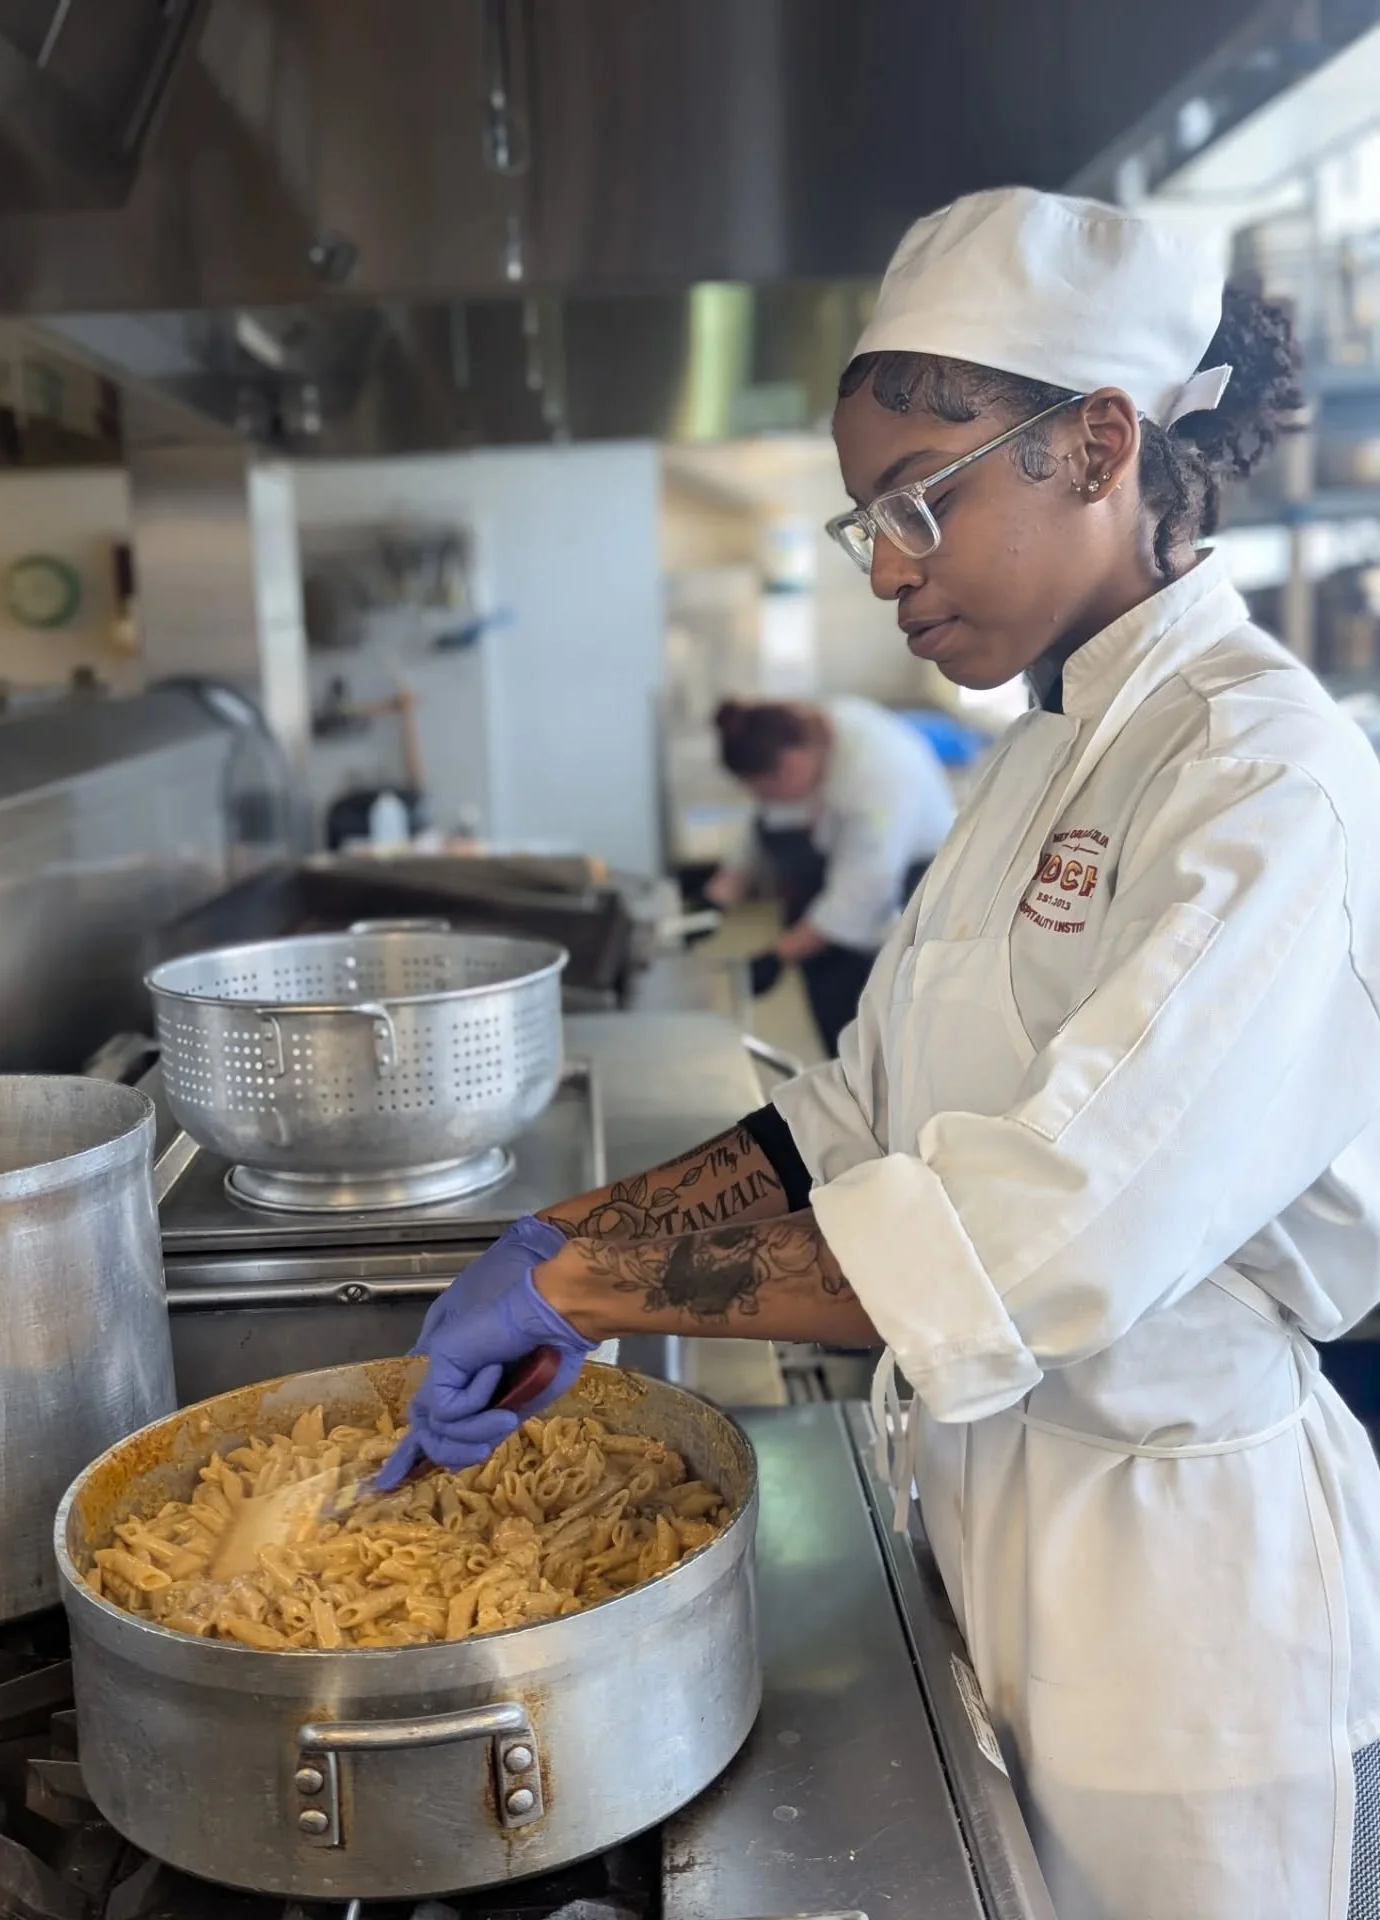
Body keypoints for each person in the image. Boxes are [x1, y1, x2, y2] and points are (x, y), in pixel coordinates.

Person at [374, 187, 1380, 1920]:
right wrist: (568, 1239)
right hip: (983, 1510)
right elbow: (847, 1113)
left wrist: (608, 1290)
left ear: (1101, 445)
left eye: (921, 499)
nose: (892, 564)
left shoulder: (1267, 778)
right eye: (867, 523)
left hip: (1176, 1587)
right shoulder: (1033, 762)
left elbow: (1043, 1235)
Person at [705, 696, 956, 1055]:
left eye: (762, 789)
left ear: (788, 768)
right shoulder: (799, 742)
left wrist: (779, 953)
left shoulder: (877, 771)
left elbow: (863, 892)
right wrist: (718, 895)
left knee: (875, 1033)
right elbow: (760, 826)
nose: (763, 799)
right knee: (834, 1028)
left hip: (904, 889)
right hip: (838, 885)